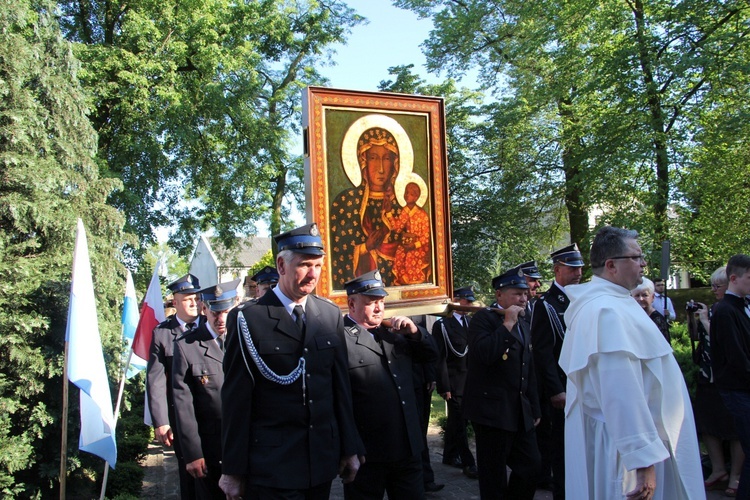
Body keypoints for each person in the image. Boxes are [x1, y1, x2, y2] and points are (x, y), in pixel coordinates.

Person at [219, 223, 364, 500]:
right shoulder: (249, 318)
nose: (313, 275)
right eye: (305, 265)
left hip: (320, 460)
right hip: (272, 465)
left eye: (318, 265)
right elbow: (236, 399)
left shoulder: (329, 315)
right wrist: (233, 470)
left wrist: (349, 448)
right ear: (281, 266)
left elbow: (340, 389)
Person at [559, 226, 703, 499]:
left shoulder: (615, 302)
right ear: (611, 265)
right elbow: (620, 392)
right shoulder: (605, 311)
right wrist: (642, 460)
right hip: (625, 450)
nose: (644, 263)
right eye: (636, 257)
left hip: (638, 440)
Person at [342, 270, 438, 499]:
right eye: (372, 302)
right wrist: (349, 448)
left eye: (382, 302)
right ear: (352, 303)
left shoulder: (394, 333)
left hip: (407, 448)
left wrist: (416, 333)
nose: (379, 308)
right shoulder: (339, 338)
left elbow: (431, 355)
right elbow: (339, 400)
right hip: (368, 453)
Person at [463, 265, 541, 499]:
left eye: (525, 293)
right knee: (493, 477)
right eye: (517, 294)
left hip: (519, 410)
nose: (524, 298)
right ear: (499, 295)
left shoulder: (524, 322)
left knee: (531, 466)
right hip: (492, 412)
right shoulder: (483, 320)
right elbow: (485, 354)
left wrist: (534, 406)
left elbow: (529, 367)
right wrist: (507, 324)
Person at [172, 279, 239, 499]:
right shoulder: (187, 346)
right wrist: (192, 453)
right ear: (204, 309)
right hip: (210, 450)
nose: (221, 319)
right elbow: (184, 406)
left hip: (244, 446)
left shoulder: (245, 340)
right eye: (215, 313)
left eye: (226, 312)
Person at [530, 243, 584, 499]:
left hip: (585, 385)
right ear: (557, 270)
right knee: (562, 450)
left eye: (580, 268)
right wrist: (556, 390)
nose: (578, 273)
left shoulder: (583, 299)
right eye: (572, 268)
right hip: (564, 388)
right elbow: (543, 353)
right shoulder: (547, 305)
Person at [147, 273, 203, 500]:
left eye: (197, 298)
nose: (194, 303)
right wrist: (161, 421)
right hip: (181, 417)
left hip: (212, 412)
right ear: (175, 301)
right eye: (187, 298)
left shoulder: (212, 327)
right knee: (189, 473)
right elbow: (156, 379)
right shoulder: (162, 334)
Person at [689, 266, 743, 495]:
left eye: (717, 286)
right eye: (711, 286)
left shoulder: (731, 310)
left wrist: (706, 322)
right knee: (707, 423)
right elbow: (695, 339)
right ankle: (718, 468)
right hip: (707, 377)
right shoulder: (713, 310)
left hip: (727, 378)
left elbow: (724, 342)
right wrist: (695, 319)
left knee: (733, 429)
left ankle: (736, 475)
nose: (713, 290)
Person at [330, 127, 403, 287]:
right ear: (363, 161)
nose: (381, 168)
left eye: (386, 159)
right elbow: (336, 254)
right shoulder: (345, 202)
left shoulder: (400, 206)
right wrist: (364, 248)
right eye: (373, 158)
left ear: (395, 163)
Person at [710, 254, 750, 499]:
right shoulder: (725, 311)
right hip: (738, 390)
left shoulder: (742, 307)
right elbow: (736, 358)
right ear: (733, 278)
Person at [433, 286, 478, 478]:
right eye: (465, 301)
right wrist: (444, 386)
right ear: (456, 301)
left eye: (470, 302)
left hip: (470, 381)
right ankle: (468, 462)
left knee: (456, 421)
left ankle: (450, 455)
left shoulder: (471, 323)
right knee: (460, 422)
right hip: (454, 381)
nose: (468, 305)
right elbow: (439, 357)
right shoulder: (443, 325)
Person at [390, 181, 431, 285]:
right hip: (407, 243)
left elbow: (426, 236)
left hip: (419, 246)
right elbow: (397, 228)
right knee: (400, 252)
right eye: (406, 193)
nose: (407, 195)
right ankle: (402, 281)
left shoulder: (422, 214)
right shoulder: (405, 211)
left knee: (411, 257)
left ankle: (413, 283)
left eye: (411, 194)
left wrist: (414, 245)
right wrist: (388, 213)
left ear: (416, 197)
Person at [630, 278, 670, 343]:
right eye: (637, 295)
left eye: (645, 295)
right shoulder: (631, 316)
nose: (641, 299)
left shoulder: (658, 320)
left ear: (653, 297)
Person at [519, 261, 542, 329]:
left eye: (538, 281)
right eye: (533, 280)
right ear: (520, 281)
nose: (538, 285)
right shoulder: (509, 307)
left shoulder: (535, 304)